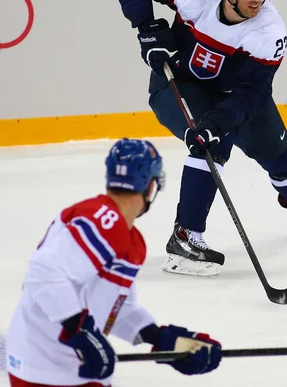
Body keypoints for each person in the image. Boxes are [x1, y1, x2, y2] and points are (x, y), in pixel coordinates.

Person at [115, 0, 287, 278]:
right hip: (178, 84)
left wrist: (220, 120)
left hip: (236, 96)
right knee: (211, 146)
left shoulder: (269, 31)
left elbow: (254, 93)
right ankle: (185, 239)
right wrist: (147, 28)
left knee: (280, 153)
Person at [5, 138, 222, 386]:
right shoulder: (105, 221)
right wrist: (80, 331)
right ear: (151, 187)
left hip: (71, 367)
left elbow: (115, 309)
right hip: (45, 367)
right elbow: (42, 272)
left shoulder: (124, 235)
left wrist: (160, 337)